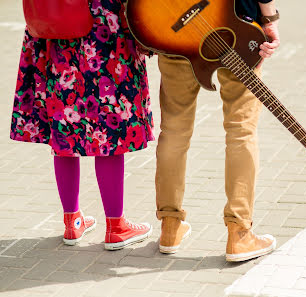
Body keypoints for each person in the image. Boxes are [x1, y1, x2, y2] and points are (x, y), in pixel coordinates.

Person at [10, 0, 155, 250]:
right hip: (105, 32)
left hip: (58, 28)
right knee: (109, 131)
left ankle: (72, 222)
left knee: (64, 124)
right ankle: (116, 226)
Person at [155, 0, 280, 261]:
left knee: (174, 131)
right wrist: (270, 19)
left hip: (173, 27)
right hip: (236, 26)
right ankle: (239, 234)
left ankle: (170, 226)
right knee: (241, 130)